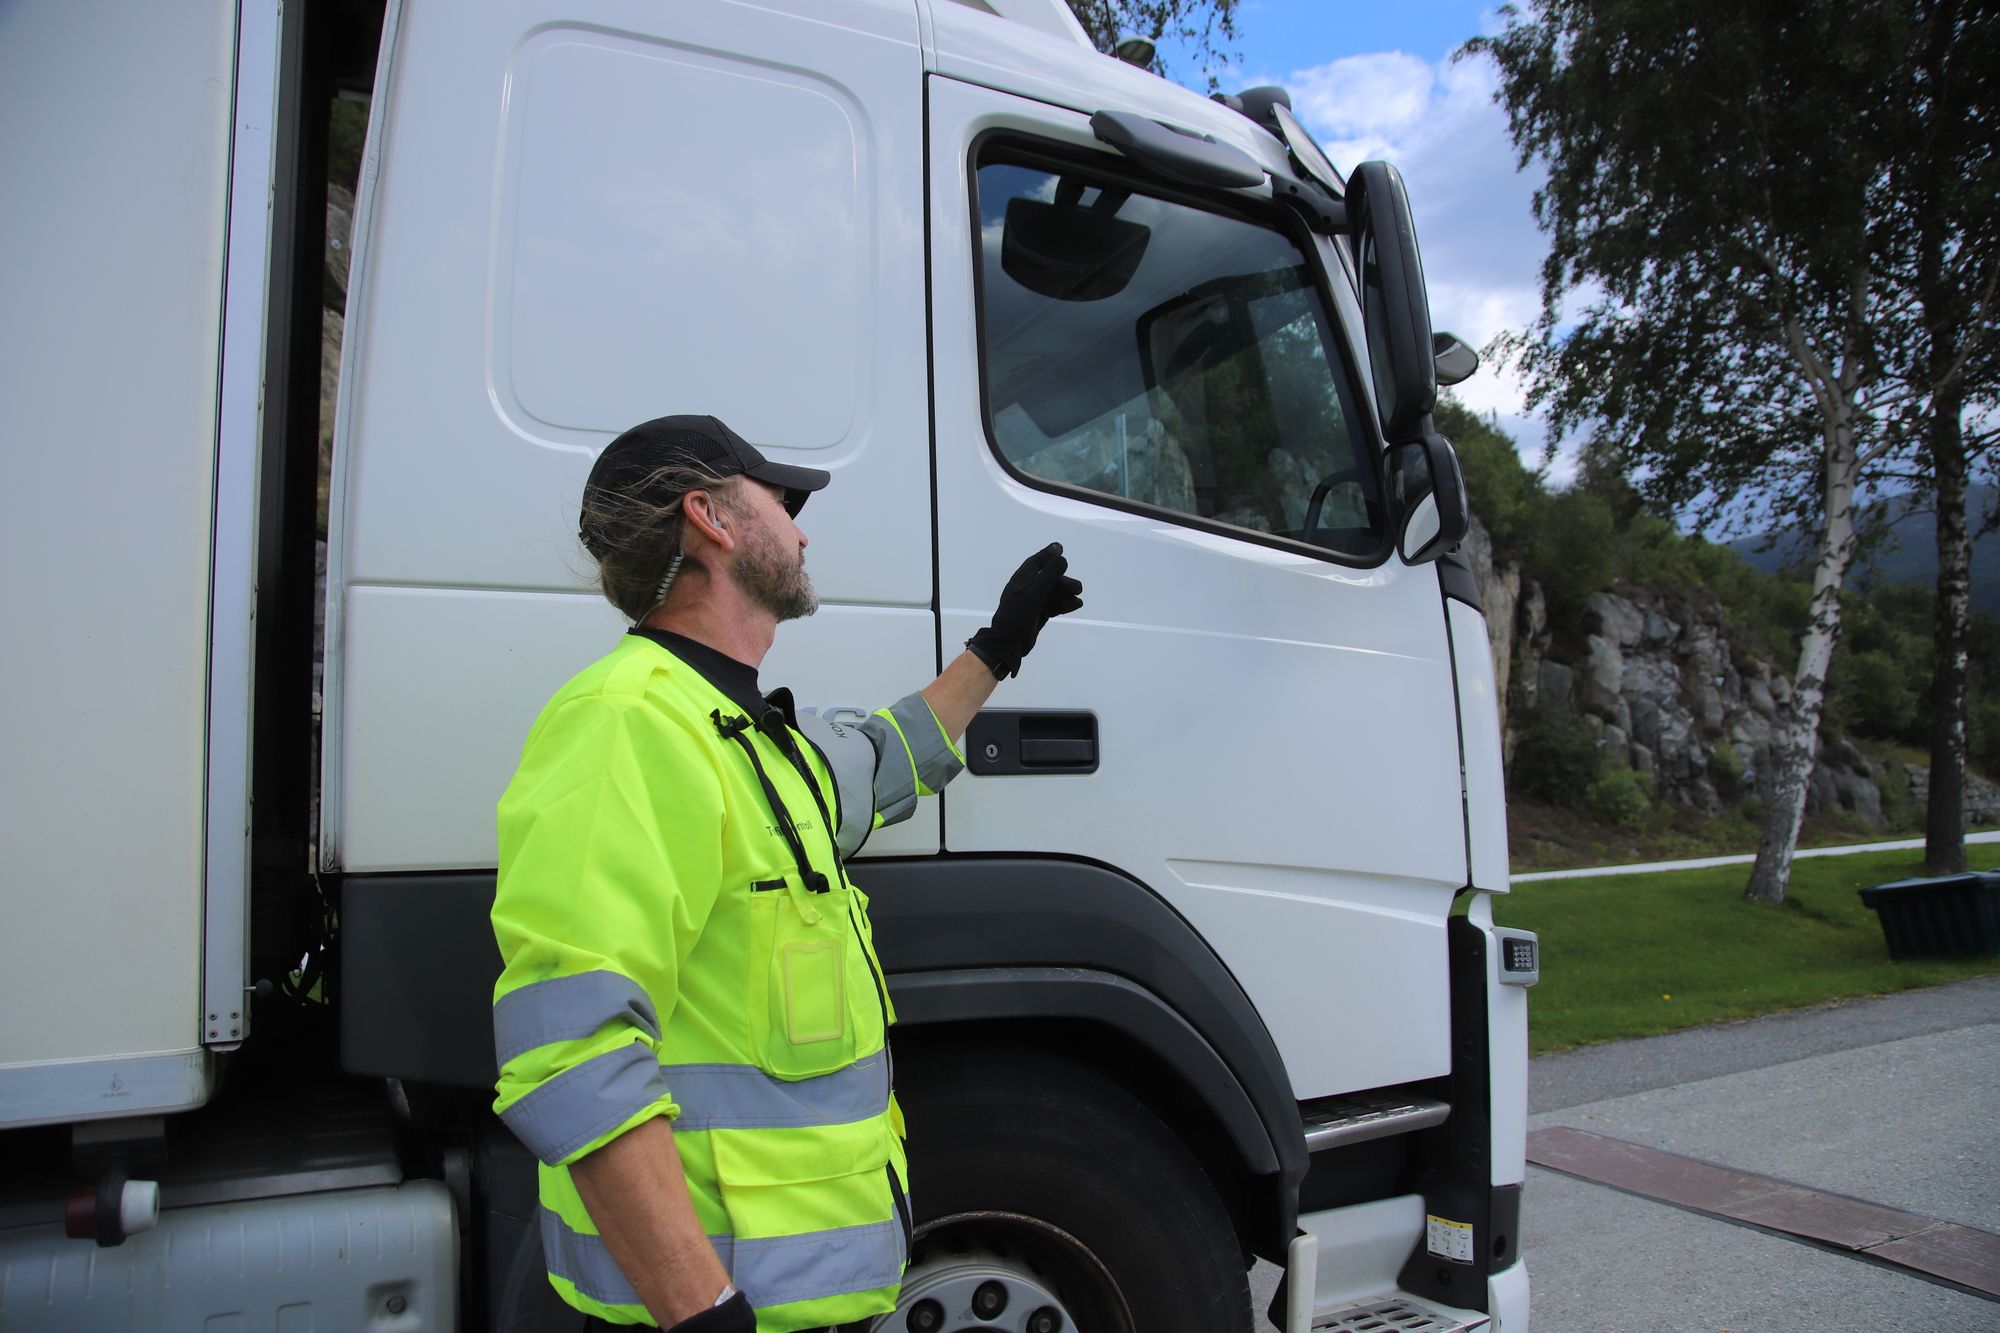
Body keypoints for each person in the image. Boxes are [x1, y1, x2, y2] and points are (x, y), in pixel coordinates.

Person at [489, 415, 1083, 1333]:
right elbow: (573, 1054)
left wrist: (997, 647)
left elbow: (885, 760)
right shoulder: (627, 726)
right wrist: (703, 1314)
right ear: (712, 519)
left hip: (796, 1306)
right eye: (780, 501)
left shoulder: (750, 735)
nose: (802, 530)